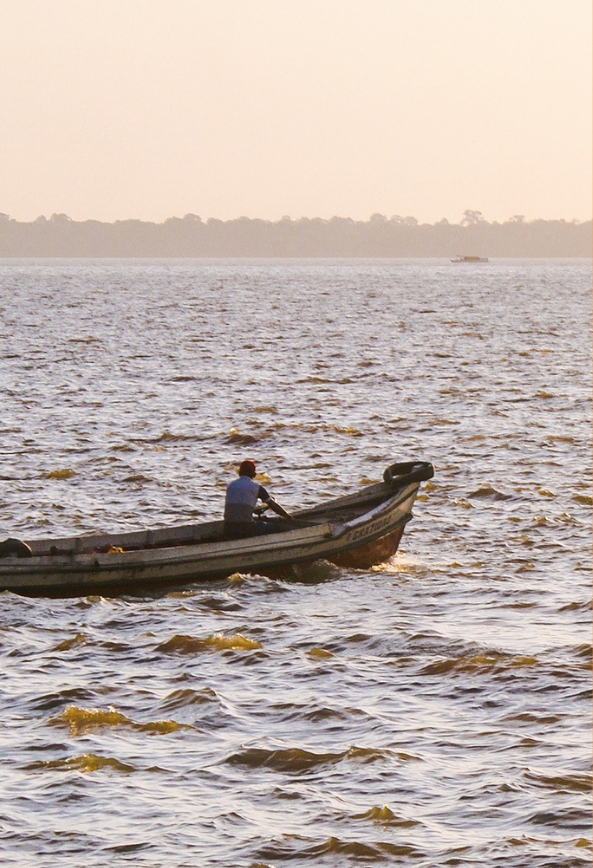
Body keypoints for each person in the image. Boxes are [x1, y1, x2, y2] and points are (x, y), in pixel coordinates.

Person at [224, 459, 293, 538]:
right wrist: (288, 517)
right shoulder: (257, 488)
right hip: (246, 528)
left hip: (228, 527)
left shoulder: (231, 486)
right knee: (276, 527)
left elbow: (240, 506)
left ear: (239, 472)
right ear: (253, 473)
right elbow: (273, 506)